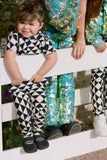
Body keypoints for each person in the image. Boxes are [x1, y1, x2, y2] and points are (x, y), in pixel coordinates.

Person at [4, 0, 57, 153]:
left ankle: (38, 133)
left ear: (40, 25)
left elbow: (52, 56)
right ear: (17, 22)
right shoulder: (15, 36)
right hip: (20, 82)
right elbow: (9, 57)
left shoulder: (41, 38)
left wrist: (40, 74)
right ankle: (27, 136)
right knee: (23, 109)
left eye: (31, 24)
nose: (26, 27)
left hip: (36, 80)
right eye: (22, 22)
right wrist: (17, 76)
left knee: (41, 107)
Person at [43, 0, 87, 139]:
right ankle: (49, 124)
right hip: (47, 32)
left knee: (67, 77)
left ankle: (66, 122)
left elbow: (81, 10)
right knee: (49, 77)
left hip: (68, 35)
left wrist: (80, 38)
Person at [86, 0, 107, 136]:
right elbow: (89, 24)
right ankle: (99, 114)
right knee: (98, 76)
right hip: (98, 45)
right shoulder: (94, 3)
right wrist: (96, 40)